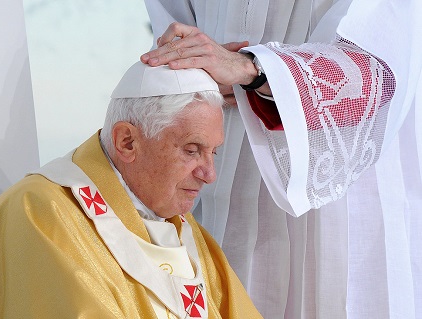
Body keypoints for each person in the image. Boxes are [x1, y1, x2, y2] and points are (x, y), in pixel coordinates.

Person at [141, 1, 422, 318]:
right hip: (216, 181)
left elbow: (378, 73)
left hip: (335, 196)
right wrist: (189, 74)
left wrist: (253, 70)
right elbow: (171, 38)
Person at [0, 61, 263, 319]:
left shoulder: (181, 229)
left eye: (214, 153)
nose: (209, 174)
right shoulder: (40, 213)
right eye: (191, 150)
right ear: (127, 142)